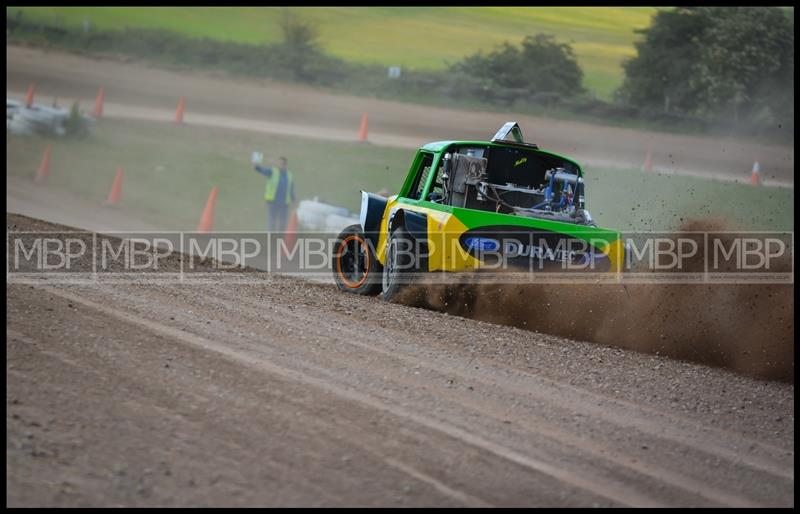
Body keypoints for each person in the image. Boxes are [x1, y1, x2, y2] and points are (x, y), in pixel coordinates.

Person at [254, 156, 296, 232]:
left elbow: (291, 187)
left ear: (286, 165)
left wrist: (293, 198)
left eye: (282, 164)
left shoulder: (289, 175)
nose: (280, 165)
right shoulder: (272, 171)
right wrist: (257, 167)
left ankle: (280, 236)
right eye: (279, 163)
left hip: (284, 202)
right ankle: (271, 236)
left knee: (283, 221)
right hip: (273, 201)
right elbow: (263, 170)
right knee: (272, 219)